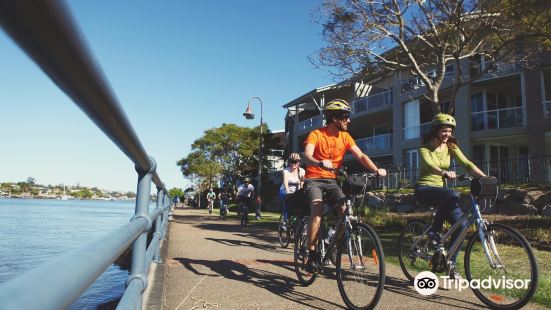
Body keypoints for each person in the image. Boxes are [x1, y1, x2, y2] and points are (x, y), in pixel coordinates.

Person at [303, 99, 387, 273]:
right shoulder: (316, 134)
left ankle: (333, 242)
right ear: (334, 118)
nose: (349, 120)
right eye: (345, 117)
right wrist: (319, 163)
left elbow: (361, 155)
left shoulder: (346, 136)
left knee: (346, 213)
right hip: (314, 179)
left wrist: (376, 169)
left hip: (332, 181)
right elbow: (307, 156)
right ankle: (311, 254)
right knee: (317, 211)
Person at [414, 113, 486, 279]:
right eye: (444, 130)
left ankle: (450, 264)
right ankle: (434, 232)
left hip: (441, 193)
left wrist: (484, 177)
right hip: (424, 189)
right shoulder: (424, 147)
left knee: (462, 227)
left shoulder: (451, 147)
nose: (447, 134)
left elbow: (467, 163)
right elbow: (430, 165)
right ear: (436, 130)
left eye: (449, 131)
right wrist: (444, 173)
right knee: (451, 194)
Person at [279, 153, 305, 222]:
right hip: (285, 190)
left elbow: (302, 184)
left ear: (299, 163)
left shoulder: (302, 171)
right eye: (292, 162)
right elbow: (285, 182)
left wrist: (301, 193)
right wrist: (288, 191)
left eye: (296, 162)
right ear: (289, 162)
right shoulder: (286, 171)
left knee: (300, 205)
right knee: (286, 205)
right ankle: (285, 220)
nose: (294, 164)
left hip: (296, 190)